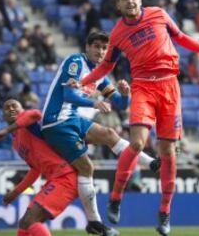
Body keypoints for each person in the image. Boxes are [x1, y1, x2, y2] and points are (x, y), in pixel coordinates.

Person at [67, 0, 199, 236]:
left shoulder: (158, 13)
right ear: (119, 4)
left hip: (169, 86)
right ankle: (115, 198)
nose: (131, 1)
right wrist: (83, 82)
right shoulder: (117, 33)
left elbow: (180, 38)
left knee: (168, 152)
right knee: (136, 143)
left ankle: (165, 212)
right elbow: (105, 68)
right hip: (143, 88)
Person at [41, 30, 160, 233]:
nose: (100, 51)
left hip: (72, 119)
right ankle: (94, 222)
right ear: (87, 47)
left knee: (110, 135)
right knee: (87, 168)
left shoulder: (101, 75)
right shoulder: (76, 62)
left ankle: (154, 164)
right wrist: (94, 102)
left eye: (104, 48)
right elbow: (68, 94)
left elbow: (120, 104)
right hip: (55, 122)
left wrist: (126, 94)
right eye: (96, 46)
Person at [0, 99, 119, 236]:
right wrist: (16, 192)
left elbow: (35, 114)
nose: (11, 109)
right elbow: (35, 169)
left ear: (22, 109)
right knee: (24, 224)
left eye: (14, 105)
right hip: (55, 179)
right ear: (2, 115)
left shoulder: (28, 123)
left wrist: (6, 130)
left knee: (30, 221)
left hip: (66, 176)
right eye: (6, 107)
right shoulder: (16, 142)